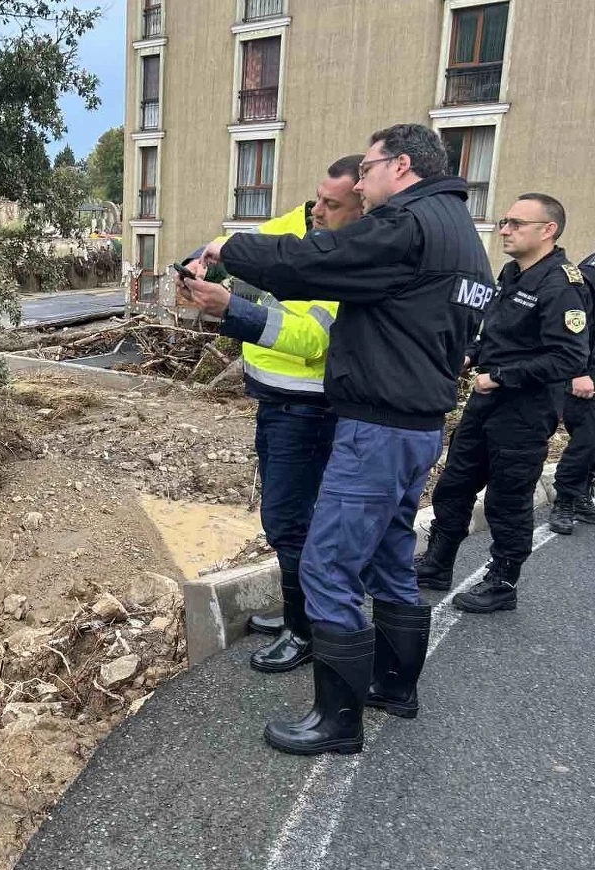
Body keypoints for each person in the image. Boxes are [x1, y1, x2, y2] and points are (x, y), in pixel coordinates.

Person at [192, 123, 493, 756]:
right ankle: (395, 687)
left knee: (328, 563)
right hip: (416, 427)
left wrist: (230, 249)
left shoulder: (407, 226)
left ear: (401, 165)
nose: (360, 181)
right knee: (388, 558)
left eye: (369, 168)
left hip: (379, 428)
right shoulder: (461, 233)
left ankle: (337, 720)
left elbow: (310, 263)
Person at [175, 155, 364, 674]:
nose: (317, 211)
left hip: (309, 410)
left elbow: (312, 339)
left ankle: (304, 631)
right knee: (285, 518)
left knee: (291, 521)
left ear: (363, 207)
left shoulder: (349, 259)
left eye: (333, 204)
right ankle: (295, 612)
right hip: (273, 402)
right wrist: (203, 262)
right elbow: (242, 245)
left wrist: (230, 308)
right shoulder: (299, 223)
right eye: (318, 198)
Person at [416, 195, 589, 612]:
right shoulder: (513, 273)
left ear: (548, 230)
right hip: (486, 401)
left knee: (507, 499)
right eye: (504, 221)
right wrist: (472, 355)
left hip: (524, 410)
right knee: (455, 483)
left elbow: (568, 357)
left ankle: (503, 582)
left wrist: (500, 375)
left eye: (515, 223)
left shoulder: (562, 285)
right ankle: (438, 563)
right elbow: (497, 333)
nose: (504, 229)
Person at [548, 249, 595, 534]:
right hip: (587, 366)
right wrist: (578, 371)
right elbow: (576, 319)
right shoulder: (591, 270)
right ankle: (565, 499)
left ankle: (580, 494)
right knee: (588, 436)